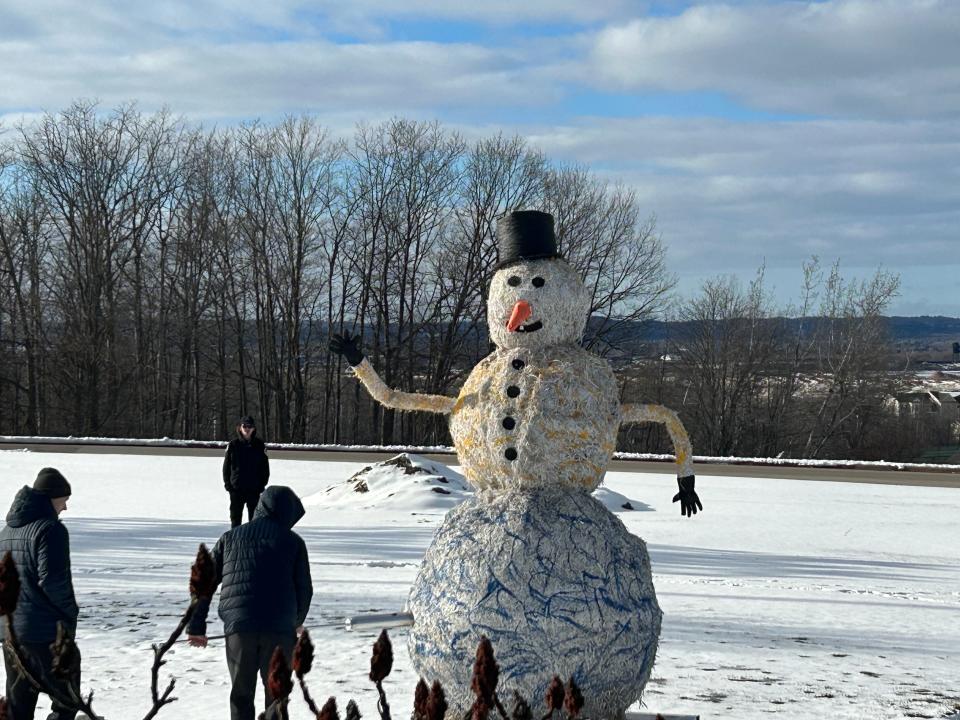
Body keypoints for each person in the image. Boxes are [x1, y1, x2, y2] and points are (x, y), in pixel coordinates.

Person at [186, 485, 313, 720]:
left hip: (239, 629)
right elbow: (304, 589)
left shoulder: (230, 538)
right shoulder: (294, 542)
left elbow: (205, 581)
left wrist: (196, 625)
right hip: (279, 629)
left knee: (241, 695)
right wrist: (295, 622)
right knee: (277, 696)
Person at [0, 467, 80, 720]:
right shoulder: (50, 530)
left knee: (18, 705)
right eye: (64, 501)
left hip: (10, 631)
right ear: (51, 497)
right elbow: (54, 581)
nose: (65, 508)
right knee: (67, 700)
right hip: (44, 633)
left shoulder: (6, 533)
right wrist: (69, 617)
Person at [223, 415, 270, 527]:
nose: (247, 429)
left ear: (253, 428)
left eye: (250, 426)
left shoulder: (259, 445)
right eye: (245, 426)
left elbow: (265, 468)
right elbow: (226, 468)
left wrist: (261, 485)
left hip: (253, 490)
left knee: (254, 521)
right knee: (235, 519)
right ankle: (235, 543)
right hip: (236, 489)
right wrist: (228, 485)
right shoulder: (233, 445)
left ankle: (252, 544)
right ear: (240, 428)